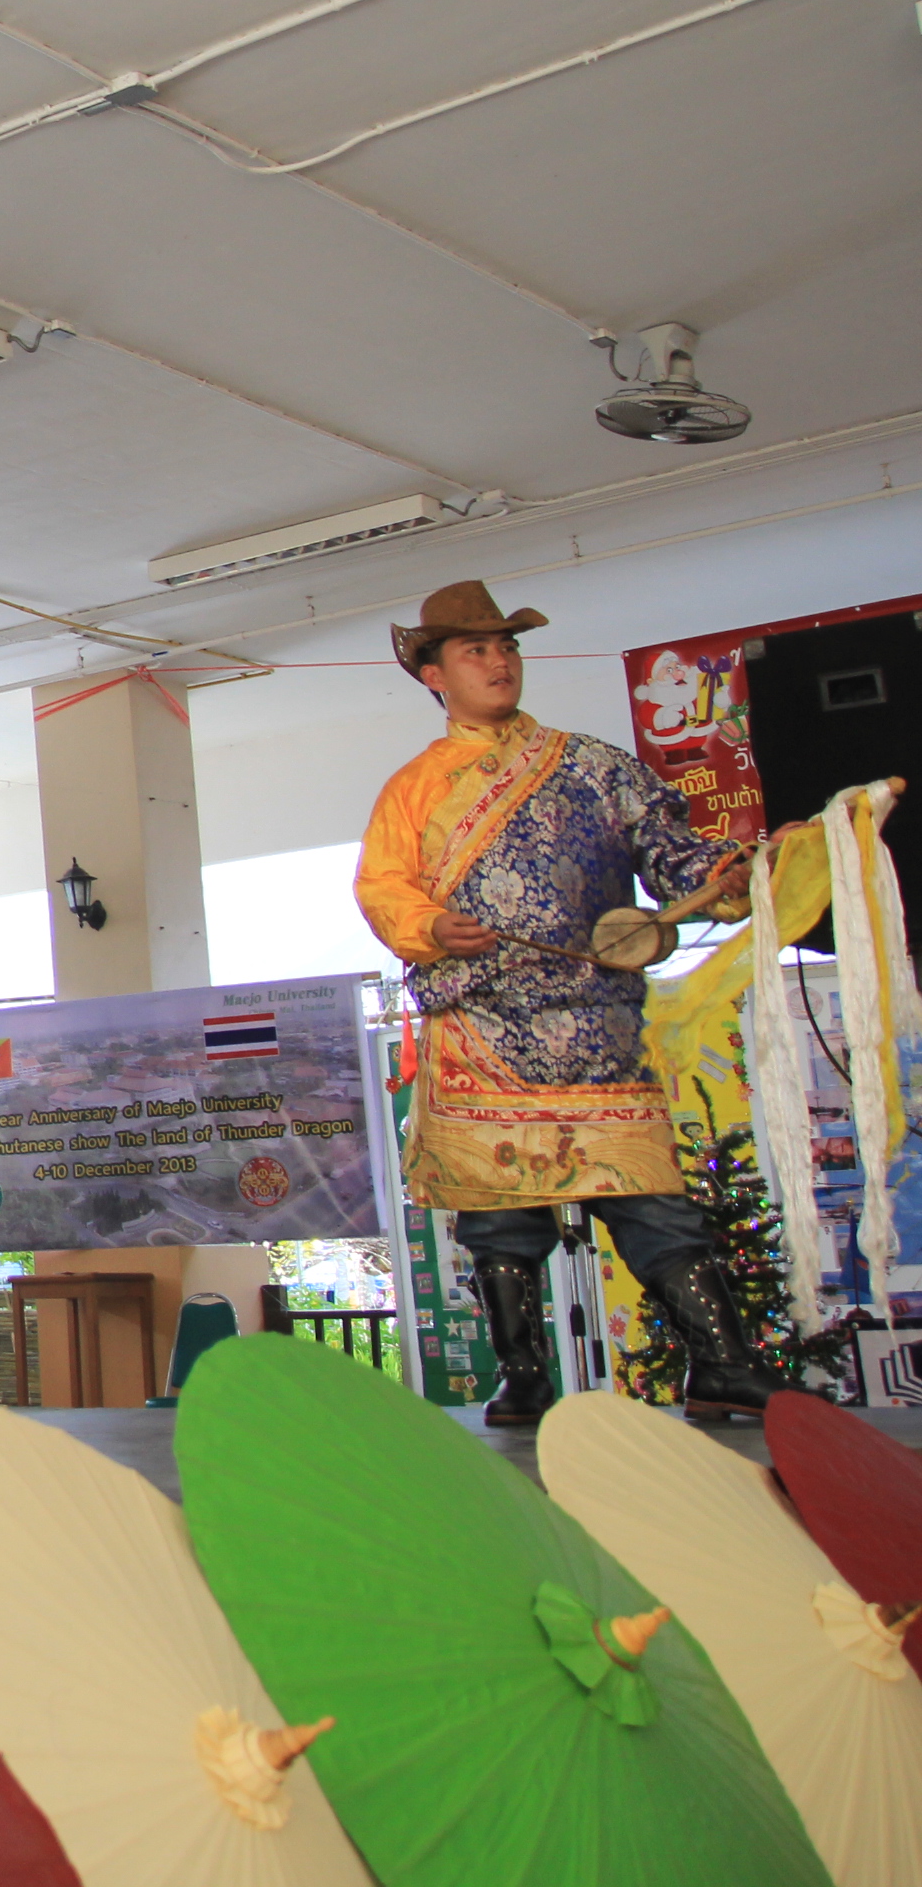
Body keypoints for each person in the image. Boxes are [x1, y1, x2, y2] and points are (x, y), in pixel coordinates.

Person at [354, 581, 782, 1426]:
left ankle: (723, 1364)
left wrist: (720, 875)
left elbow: (672, 851)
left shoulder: (594, 766)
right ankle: (525, 1377)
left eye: (507, 646)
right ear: (434, 675)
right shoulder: (414, 789)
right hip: (481, 1026)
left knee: (651, 1199)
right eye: (476, 650)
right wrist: (432, 925)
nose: (499, 661)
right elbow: (382, 886)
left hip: (597, 1028)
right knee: (498, 1220)